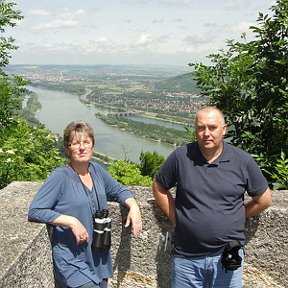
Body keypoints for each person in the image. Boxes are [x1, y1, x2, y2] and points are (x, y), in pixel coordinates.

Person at [152, 106, 272, 288]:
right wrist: (174, 217)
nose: (206, 133)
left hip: (228, 254)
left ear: (224, 129)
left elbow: (264, 199)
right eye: (201, 128)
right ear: (195, 130)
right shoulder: (181, 157)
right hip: (187, 257)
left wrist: (238, 214)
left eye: (212, 127)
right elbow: (158, 186)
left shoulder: (242, 161)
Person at [28, 120, 142, 288]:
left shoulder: (97, 171)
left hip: (98, 258)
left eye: (86, 142)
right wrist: (70, 221)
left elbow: (119, 191)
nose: (82, 147)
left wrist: (133, 206)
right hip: (72, 260)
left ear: (92, 146)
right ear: (67, 148)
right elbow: (35, 211)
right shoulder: (60, 177)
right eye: (75, 143)